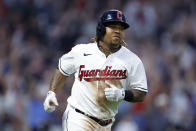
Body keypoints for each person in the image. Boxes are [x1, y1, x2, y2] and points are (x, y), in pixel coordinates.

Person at [43, 9, 148, 131]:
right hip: (78, 117)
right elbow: (62, 69)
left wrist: (123, 93)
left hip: (106, 123)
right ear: (101, 29)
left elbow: (141, 92)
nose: (117, 31)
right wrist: (52, 92)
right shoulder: (81, 51)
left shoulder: (132, 60)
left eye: (121, 28)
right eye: (113, 26)